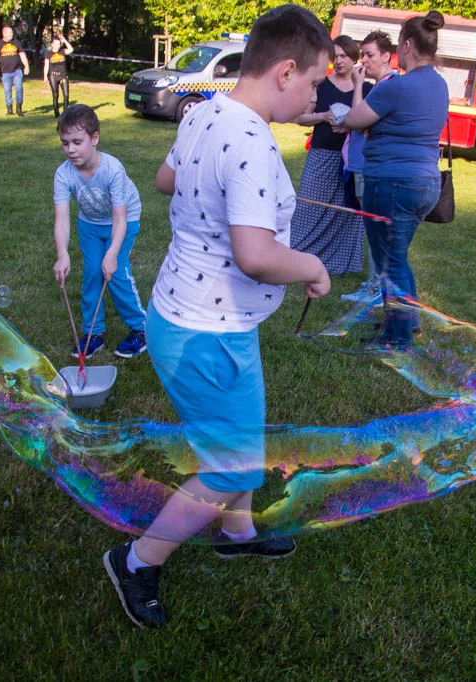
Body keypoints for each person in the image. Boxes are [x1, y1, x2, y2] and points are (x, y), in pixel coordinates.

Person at [101, 4, 333, 629]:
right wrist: (311, 266)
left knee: (244, 434)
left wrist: (220, 192)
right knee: (229, 463)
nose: (315, 96)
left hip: (200, 316)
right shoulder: (253, 141)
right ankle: (137, 560)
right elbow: (256, 257)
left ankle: (237, 529)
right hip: (207, 331)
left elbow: (165, 179)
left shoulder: (206, 109)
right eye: (314, 82)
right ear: (286, 71)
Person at [342, 11, 449, 348]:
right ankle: (409, 322)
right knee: (397, 257)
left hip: (391, 182)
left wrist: (359, 89)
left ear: (406, 45)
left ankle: (396, 338)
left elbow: (354, 119)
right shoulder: (440, 83)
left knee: (391, 262)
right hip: (425, 183)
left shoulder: (398, 85)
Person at [52, 104, 147, 359]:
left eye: (76, 141)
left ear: (95, 138)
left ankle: (141, 329)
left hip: (124, 220)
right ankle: (93, 332)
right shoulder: (63, 174)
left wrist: (113, 253)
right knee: (93, 273)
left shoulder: (112, 170)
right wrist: (62, 254)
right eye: (64, 143)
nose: (70, 149)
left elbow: (120, 219)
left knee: (115, 272)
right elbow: (62, 219)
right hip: (90, 224)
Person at [290, 35, 366, 276]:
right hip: (322, 155)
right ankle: (298, 254)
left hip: (350, 161)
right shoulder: (321, 84)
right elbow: (301, 117)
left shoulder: (367, 88)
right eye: (336, 56)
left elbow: (366, 120)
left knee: (347, 212)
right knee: (309, 205)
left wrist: (350, 125)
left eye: (344, 56)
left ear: (354, 58)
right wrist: (323, 117)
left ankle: (340, 261)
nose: (339, 60)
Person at [341, 30, 393, 304]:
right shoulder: (383, 85)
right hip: (365, 165)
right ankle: (374, 285)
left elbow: (356, 118)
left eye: (370, 55)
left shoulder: (385, 86)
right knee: (373, 230)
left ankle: (375, 290)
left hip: (372, 167)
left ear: (387, 56)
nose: (365, 60)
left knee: (376, 231)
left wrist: (358, 84)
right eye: (363, 55)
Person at [0, 25, 29, 116]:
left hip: (17, 71)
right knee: (7, 91)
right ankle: (9, 109)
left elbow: (22, 55)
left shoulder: (16, 43)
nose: (12, 34)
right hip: (5, 72)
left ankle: (19, 109)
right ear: (4, 33)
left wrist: (26, 66)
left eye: (12, 32)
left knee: (19, 88)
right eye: (10, 32)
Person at [42, 35, 73, 118]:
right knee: (55, 95)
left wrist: (65, 41)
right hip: (53, 76)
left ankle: (66, 112)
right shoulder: (48, 53)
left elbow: (71, 49)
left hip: (63, 76)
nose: (57, 46)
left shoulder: (62, 51)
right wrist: (45, 75)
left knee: (66, 94)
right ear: (51, 44)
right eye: (55, 44)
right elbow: (46, 65)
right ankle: (56, 113)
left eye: (59, 44)